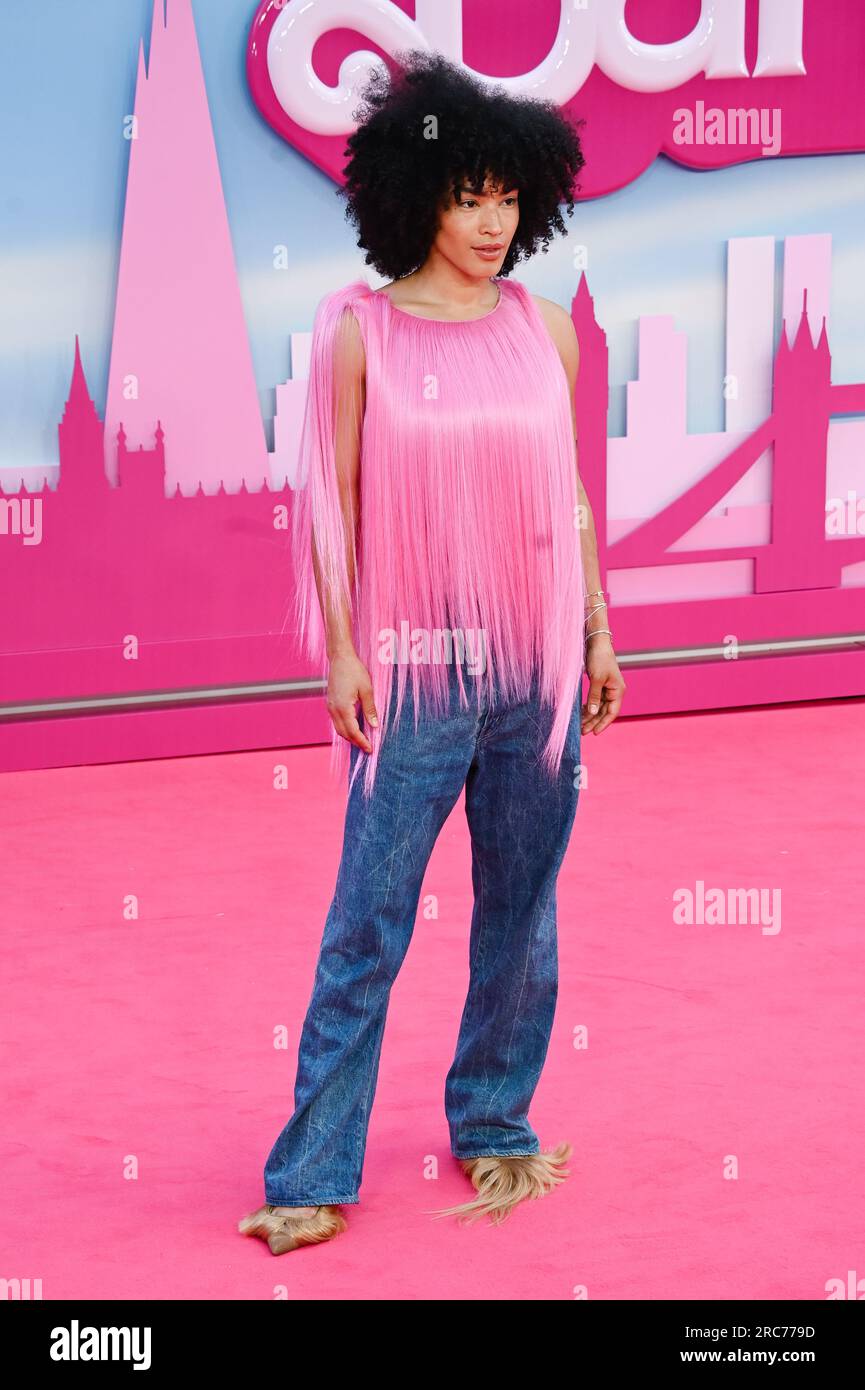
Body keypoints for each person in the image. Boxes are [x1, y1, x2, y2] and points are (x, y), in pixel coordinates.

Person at [239, 51, 626, 1255]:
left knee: (523, 909)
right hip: (409, 676)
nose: (491, 223)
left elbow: (565, 495)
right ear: (415, 201)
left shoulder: (544, 330)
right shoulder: (356, 329)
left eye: (507, 197)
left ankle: (497, 1123)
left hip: (532, 673)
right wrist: (343, 655)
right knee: (369, 919)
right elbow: (334, 503)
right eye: (467, 197)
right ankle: (311, 1169)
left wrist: (597, 631)